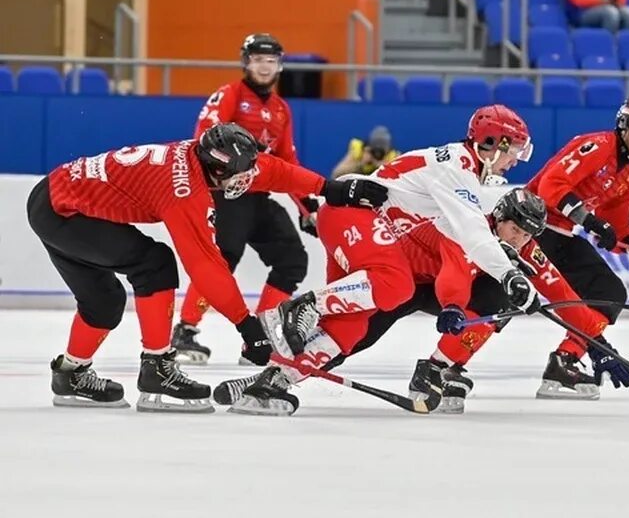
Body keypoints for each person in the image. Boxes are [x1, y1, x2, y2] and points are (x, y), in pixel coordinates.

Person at [25, 123, 387, 412]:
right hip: (63, 212)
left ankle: (70, 374)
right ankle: (157, 368)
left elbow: (270, 170)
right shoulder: (184, 192)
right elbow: (205, 266)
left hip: (56, 199)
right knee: (155, 264)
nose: (248, 180)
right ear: (217, 171)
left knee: (103, 302)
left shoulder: (213, 160)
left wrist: (329, 188)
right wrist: (247, 327)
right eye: (241, 174)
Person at [227, 105, 543, 416]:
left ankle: (270, 384)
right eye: (514, 149)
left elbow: (462, 240)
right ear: (491, 143)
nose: (516, 160)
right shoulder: (458, 169)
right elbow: (474, 233)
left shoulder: (459, 172)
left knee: (348, 328)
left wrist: (484, 280)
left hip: (354, 223)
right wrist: (508, 276)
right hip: (353, 214)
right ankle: (302, 307)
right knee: (396, 285)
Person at [213, 188, 628, 414]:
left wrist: (597, 344)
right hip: (397, 279)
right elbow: (454, 271)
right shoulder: (469, 228)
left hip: (435, 287)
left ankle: (437, 370)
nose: (518, 239)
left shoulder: (522, 246)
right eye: (514, 229)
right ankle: (274, 380)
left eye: (527, 234)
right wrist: (450, 306)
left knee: (502, 295)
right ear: (498, 217)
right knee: (352, 338)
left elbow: (563, 296)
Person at [172, 33, 319, 365]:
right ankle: (185, 331)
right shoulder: (229, 95)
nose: (264, 67)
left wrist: (306, 205)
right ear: (245, 62)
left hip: (260, 197)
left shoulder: (282, 109)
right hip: (225, 195)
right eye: (257, 60)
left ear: (279, 65)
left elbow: (287, 164)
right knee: (221, 262)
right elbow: (204, 140)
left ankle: (263, 335)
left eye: (270, 60)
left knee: (292, 259)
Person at [526, 95, 629, 386]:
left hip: (562, 236)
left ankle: (563, 362)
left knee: (610, 294)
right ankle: (446, 365)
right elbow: (552, 184)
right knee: (500, 300)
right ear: (625, 126)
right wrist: (590, 221)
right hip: (528, 229)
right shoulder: (599, 146)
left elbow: (617, 231)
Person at [331, 125, 399, 178]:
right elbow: (336, 174)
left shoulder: (393, 157)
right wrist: (360, 164)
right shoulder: (360, 152)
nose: (378, 150)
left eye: (383, 145)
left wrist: (386, 169)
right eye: (376, 144)